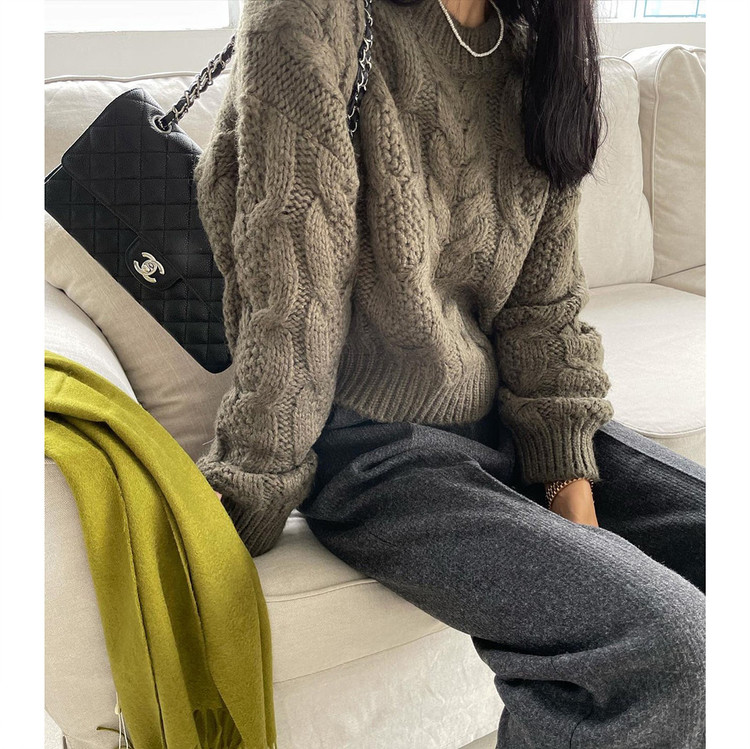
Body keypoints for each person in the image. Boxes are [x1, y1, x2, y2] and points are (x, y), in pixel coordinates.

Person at [193, 0, 706, 746]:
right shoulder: (313, 17)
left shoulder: (534, 51)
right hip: (371, 450)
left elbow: (543, 310)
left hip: (498, 417)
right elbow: (293, 298)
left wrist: (568, 487)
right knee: (668, 647)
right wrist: (245, 498)